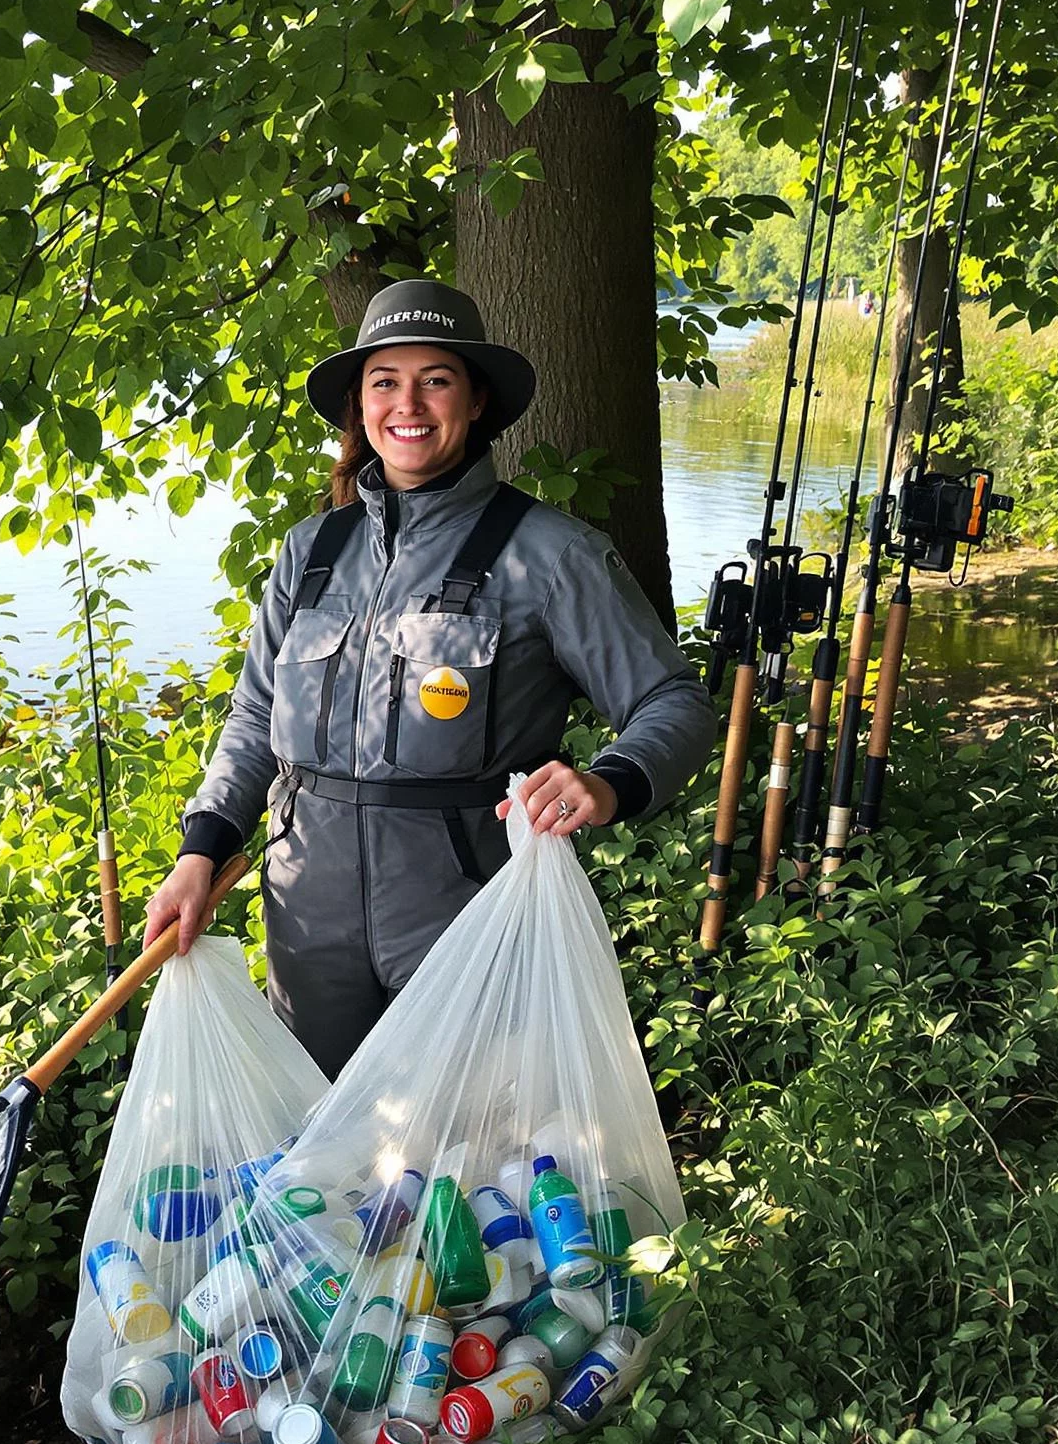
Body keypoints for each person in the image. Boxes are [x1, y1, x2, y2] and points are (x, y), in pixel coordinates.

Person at [141, 277, 714, 1078]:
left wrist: (611, 782)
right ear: (361, 404)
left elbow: (672, 701)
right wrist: (200, 850)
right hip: (306, 917)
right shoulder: (310, 552)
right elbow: (254, 719)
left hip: (464, 914)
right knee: (319, 1160)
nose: (407, 402)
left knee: (463, 1167)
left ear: (476, 401)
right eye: (385, 382)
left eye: (434, 379)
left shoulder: (551, 554)